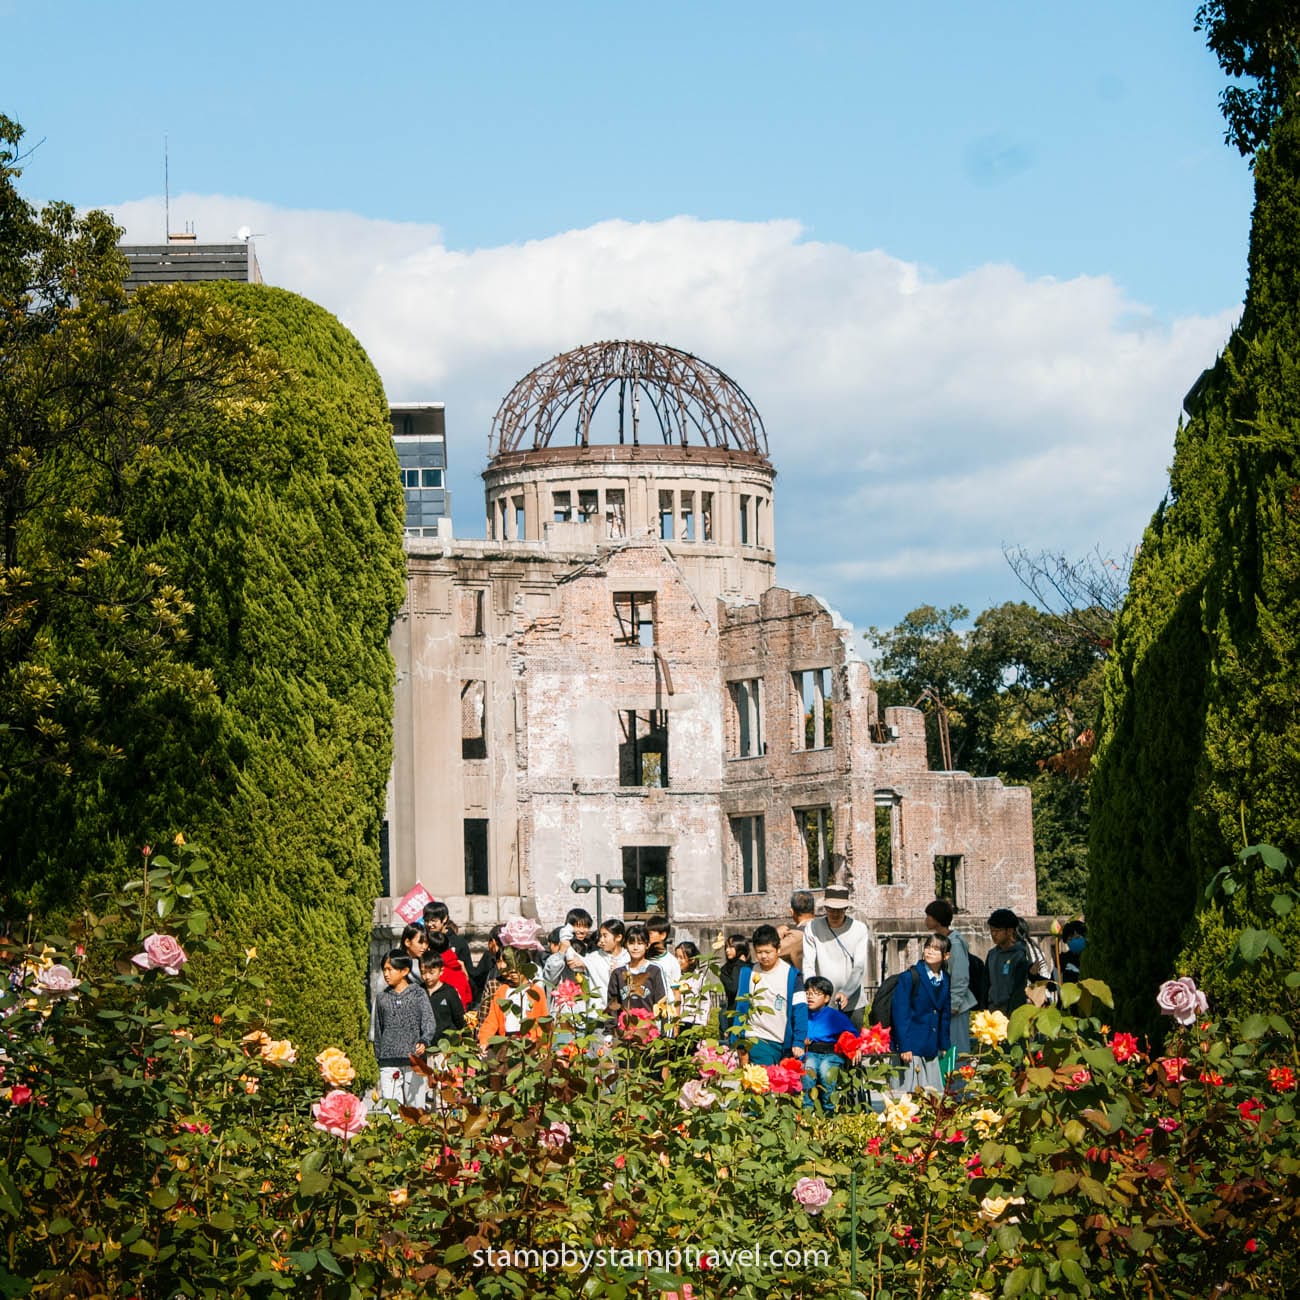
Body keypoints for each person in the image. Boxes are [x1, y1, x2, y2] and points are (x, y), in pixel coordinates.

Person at [730, 924, 807, 1066]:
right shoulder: (748, 973)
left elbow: (800, 1009)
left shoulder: (792, 975)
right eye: (759, 952)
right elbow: (741, 1007)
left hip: (780, 1041)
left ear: (778, 949)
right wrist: (735, 1038)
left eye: (768, 951)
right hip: (755, 1037)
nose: (763, 956)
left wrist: (798, 1041)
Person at [373, 950, 438, 1110]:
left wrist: (424, 1040)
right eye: (384, 970)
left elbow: (429, 1021)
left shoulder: (418, 994)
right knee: (391, 1109)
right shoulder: (382, 998)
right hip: (388, 1061)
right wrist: (378, 1054)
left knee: (415, 1108)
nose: (386, 974)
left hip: (414, 1059)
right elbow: (378, 1028)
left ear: (404, 971)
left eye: (390, 969)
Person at [804, 884, 872, 1027]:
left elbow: (859, 967)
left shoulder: (859, 929)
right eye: (831, 909)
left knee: (851, 1045)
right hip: (820, 1002)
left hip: (852, 1002)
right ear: (825, 908)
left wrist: (846, 992)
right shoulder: (812, 927)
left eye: (839, 910)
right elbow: (808, 963)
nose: (835, 913)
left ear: (846, 909)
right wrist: (813, 992)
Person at [893, 934, 952, 1093]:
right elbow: (901, 1014)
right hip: (913, 1044)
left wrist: (944, 1043)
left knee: (934, 1094)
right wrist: (904, 1046)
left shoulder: (945, 979)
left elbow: (944, 1014)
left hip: (931, 1045)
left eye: (935, 949)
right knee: (913, 1093)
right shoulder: (910, 977)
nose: (930, 952)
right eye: (927, 947)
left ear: (946, 956)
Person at [924, 899, 976, 1059]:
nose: (926, 920)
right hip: (942, 1005)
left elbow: (960, 977)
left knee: (956, 1050)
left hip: (955, 1008)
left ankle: (958, 1084)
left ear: (937, 919)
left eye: (929, 916)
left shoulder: (955, 944)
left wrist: (953, 1004)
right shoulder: (941, 941)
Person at [802, 975, 858, 1115]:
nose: (810, 997)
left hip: (831, 1053)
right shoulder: (801, 1014)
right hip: (810, 1052)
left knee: (826, 1070)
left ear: (826, 998)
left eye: (816, 993)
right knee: (809, 1070)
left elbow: (852, 1035)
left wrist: (855, 1049)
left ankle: (829, 1110)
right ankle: (807, 1110)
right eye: (808, 993)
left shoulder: (834, 1016)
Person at [478, 946, 549, 1048]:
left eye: (517, 971)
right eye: (511, 971)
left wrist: (544, 1046)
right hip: (507, 1041)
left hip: (529, 1041)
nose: (514, 975)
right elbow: (491, 1021)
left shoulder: (536, 991)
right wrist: (484, 1040)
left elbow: (543, 1022)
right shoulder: (501, 991)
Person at [607, 924, 668, 1020]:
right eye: (631, 943)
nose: (635, 948)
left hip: (649, 1029)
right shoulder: (618, 973)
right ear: (625, 945)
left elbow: (662, 1003)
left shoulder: (655, 970)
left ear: (647, 945)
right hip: (625, 1030)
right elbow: (612, 1006)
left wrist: (664, 1033)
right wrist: (611, 1032)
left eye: (640, 943)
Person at [986, 908, 1031, 1015]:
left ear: (1010, 931)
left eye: (997, 930)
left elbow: (1019, 990)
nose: (993, 934)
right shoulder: (992, 954)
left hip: (1012, 1011)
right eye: (991, 930)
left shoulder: (1020, 955)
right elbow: (986, 983)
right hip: (992, 1009)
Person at [422, 951, 466, 1044]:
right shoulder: (419, 991)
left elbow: (460, 1020)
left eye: (431, 972)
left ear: (441, 971)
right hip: (425, 1045)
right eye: (424, 972)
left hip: (447, 1044)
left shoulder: (449, 992)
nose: (427, 977)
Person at [423, 901, 474, 974]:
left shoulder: (459, 942)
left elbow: (469, 972)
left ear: (444, 919)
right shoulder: (424, 940)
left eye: (433, 921)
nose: (429, 924)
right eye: (426, 921)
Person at [673, 941, 713, 1031]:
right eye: (676, 957)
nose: (677, 961)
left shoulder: (700, 978)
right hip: (677, 1020)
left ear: (692, 960)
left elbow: (705, 1002)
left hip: (693, 1021)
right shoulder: (674, 976)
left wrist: (702, 1022)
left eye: (681, 957)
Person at [718, 934, 750, 1035]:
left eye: (731, 947)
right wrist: (740, 963)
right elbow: (733, 988)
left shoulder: (751, 967)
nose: (727, 950)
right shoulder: (725, 970)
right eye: (726, 947)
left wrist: (740, 964)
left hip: (749, 1014)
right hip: (732, 1013)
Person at [779, 890, 815, 971]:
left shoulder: (796, 936)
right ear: (814, 910)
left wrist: (777, 934)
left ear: (792, 912)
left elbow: (770, 952)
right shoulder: (822, 927)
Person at [646, 915, 682, 991]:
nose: (645, 937)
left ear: (663, 935)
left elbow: (676, 991)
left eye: (650, 933)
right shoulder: (641, 958)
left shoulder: (672, 962)